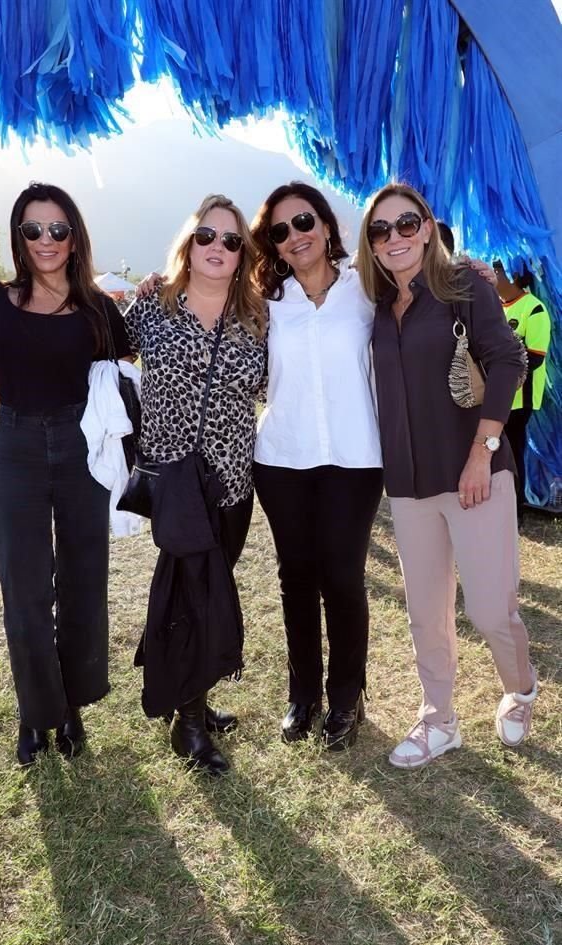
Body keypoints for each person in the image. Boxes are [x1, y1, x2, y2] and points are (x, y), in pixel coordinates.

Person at [0, 182, 133, 766]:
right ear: (19, 236)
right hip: (19, 445)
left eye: (57, 229)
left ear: (74, 236)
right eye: (33, 230)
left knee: (84, 583)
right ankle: (37, 713)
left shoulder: (100, 309)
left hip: (82, 448)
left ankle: (72, 705)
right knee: (24, 589)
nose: (46, 240)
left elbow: (124, 380)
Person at [357, 182, 537, 769]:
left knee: (490, 609)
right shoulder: (378, 307)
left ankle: (521, 686)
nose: (395, 238)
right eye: (380, 230)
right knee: (425, 612)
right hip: (409, 485)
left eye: (406, 224)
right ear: (372, 245)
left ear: (427, 228)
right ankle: (439, 720)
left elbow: (508, 358)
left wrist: (483, 452)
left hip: (474, 475)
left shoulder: (463, 286)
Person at [124, 194, 267, 776]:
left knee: (211, 592)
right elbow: (92, 343)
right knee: (187, 596)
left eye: (231, 241)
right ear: (190, 242)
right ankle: (186, 720)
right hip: (175, 481)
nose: (218, 248)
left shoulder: (258, 316)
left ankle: (195, 701)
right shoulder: (151, 307)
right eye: (207, 236)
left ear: (243, 254)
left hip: (232, 483)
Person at [250, 182, 384, 751]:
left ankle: (347, 696)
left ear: (326, 225)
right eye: (280, 231)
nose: (295, 236)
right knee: (295, 579)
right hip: (283, 457)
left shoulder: (367, 288)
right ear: (273, 245)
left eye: (303, 222)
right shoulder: (263, 301)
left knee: (343, 578)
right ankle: (302, 694)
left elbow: (426, 285)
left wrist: (467, 271)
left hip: (355, 459)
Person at [493, 260, 551, 520]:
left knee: (513, 454)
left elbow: (535, 357)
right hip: (496, 397)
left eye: (497, 272)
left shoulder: (535, 309)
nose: (493, 277)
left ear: (514, 275)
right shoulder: (495, 308)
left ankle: (515, 513)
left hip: (520, 399)